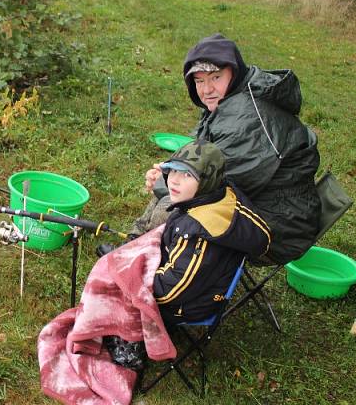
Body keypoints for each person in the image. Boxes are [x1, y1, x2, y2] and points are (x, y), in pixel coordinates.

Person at [136, 33, 321, 265]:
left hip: (279, 226)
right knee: (174, 188)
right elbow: (201, 156)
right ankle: (132, 247)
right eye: (199, 81)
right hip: (262, 201)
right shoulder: (232, 98)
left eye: (216, 77)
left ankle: (144, 268)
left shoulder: (246, 116)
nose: (207, 89)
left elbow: (214, 185)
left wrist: (166, 182)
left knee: (174, 205)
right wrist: (168, 170)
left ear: (234, 72)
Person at [104, 140, 270, 369]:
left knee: (114, 283)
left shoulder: (200, 233)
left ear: (206, 182)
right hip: (191, 278)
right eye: (172, 170)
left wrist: (129, 277)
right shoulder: (219, 195)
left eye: (187, 175)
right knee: (124, 259)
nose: (173, 179)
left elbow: (167, 293)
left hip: (186, 305)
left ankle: (129, 345)